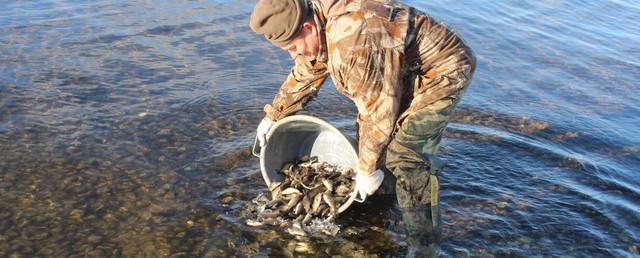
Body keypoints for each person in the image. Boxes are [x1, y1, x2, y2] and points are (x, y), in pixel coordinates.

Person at [250, 0, 475, 254]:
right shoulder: (316, 20)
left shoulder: (352, 40)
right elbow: (308, 70)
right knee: (376, 147)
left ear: (308, 27)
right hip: (399, 64)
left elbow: (379, 111)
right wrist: (275, 115)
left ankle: (424, 246)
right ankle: (383, 203)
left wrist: (367, 169)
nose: (293, 55)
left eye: (293, 47)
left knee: (406, 156)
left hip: (442, 69)